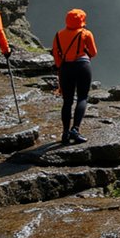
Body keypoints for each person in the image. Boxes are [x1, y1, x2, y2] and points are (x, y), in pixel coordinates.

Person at [51, 8, 98, 145]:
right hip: (82, 66)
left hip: (65, 68)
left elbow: (56, 55)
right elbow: (93, 53)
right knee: (82, 97)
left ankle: (65, 133)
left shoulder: (58, 35)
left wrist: (61, 67)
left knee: (67, 101)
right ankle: (75, 130)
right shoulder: (86, 33)